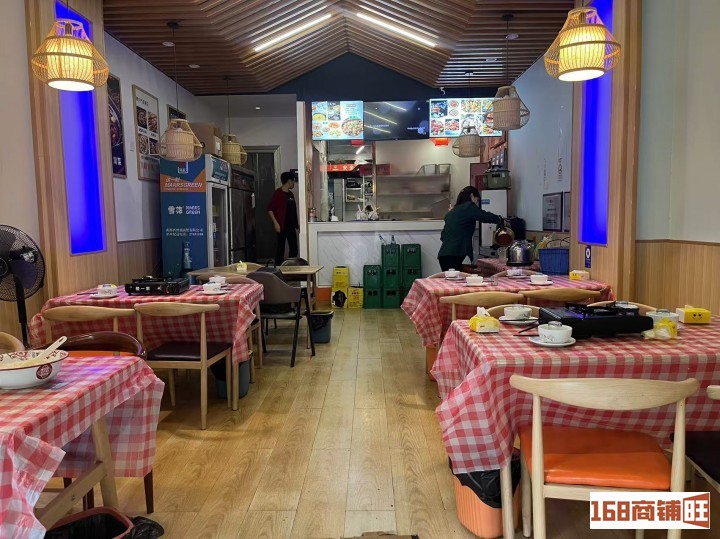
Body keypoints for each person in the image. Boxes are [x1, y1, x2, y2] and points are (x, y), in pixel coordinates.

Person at [438, 186, 503, 271]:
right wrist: (500, 219)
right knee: (459, 279)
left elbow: (443, 236)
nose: (477, 203)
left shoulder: (451, 212)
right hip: (456, 255)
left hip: (443, 255)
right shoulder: (468, 207)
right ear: (472, 195)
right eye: (477, 200)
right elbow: (484, 216)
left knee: (450, 279)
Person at [267, 171, 299, 265]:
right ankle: (278, 268)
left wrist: (297, 224)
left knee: (294, 248)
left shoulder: (291, 194)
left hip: (291, 226)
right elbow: (270, 209)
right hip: (281, 225)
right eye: (293, 181)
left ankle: (290, 266)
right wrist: (275, 223)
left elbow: (293, 211)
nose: (293, 183)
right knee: (280, 248)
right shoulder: (278, 193)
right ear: (289, 181)